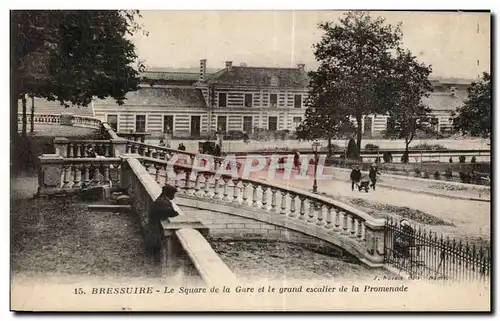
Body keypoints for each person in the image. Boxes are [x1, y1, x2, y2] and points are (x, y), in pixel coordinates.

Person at [146, 184, 180, 261]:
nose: (174, 196)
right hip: (156, 229)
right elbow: (172, 213)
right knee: (157, 251)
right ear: (169, 193)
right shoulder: (162, 202)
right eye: (173, 194)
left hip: (154, 226)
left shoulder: (160, 200)